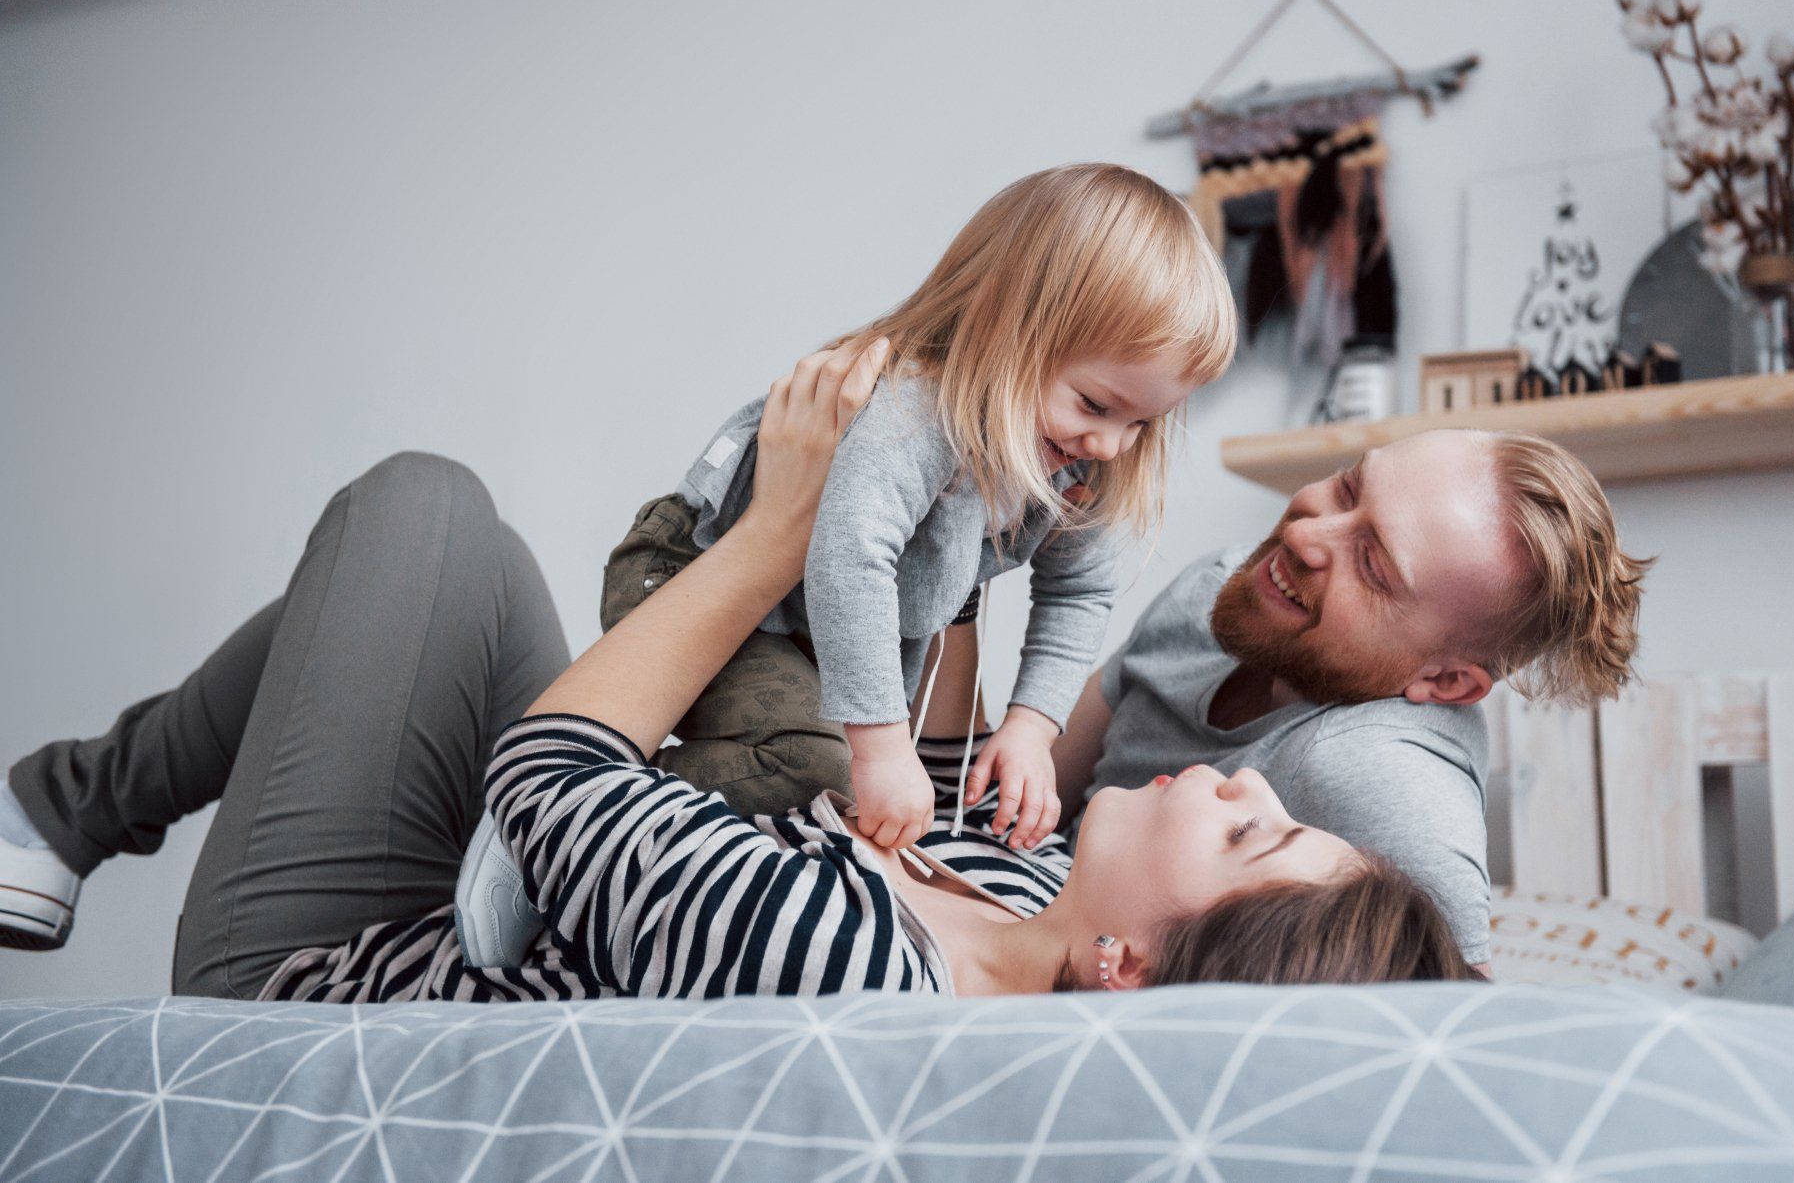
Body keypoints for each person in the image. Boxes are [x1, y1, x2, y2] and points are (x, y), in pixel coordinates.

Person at [0, 343, 1476, 999]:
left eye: (1250, 828)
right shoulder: (1030, 899)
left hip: (338, 969)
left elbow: (547, 774)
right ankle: (69, 807)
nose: (1234, 780)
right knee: (468, 569)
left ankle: (62, 805)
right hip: (515, 889)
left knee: (424, 505)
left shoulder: (841, 967)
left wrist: (784, 527)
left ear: (1128, 964)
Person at [598, 164, 1236, 853]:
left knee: (859, 806)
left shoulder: (1081, 456)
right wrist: (879, 751)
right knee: (818, 771)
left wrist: (1031, 728)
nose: (1110, 445)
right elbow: (851, 557)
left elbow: (1080, 590)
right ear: (1004, 331)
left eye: (1143, 422)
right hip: (692, 566)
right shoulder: (915, 413)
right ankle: (580, 811)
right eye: (1094, 405)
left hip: (809, 623)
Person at [1039, 426, 1653, 972]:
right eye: (1349, 487)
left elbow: (1452, 1024)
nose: (1305, 532)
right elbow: (1029, 793)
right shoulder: (1221, 586)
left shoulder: (1379, 774)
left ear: (1443, 684)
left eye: (1373, 567)